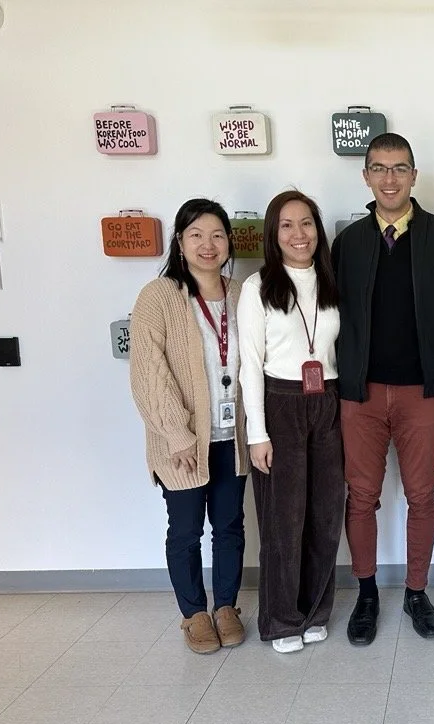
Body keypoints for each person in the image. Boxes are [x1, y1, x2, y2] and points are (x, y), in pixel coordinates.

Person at [331, 132, 434, 645]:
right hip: (361, 394)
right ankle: (367, 592)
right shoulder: (347, 242)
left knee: (422, 495)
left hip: (422, 393)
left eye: (400, 168)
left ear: (415, 175)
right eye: (379, 168)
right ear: (366, 176)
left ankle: (416, 591)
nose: (390, 178)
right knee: (362, 496)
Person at [130, 198, 248, 655]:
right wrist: (178, 434)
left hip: (230, 438)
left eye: (217, 235)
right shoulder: (158, 296)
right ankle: (194, 613)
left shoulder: (239, 294)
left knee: (230, 527)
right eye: (196, 234)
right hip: (182, 443)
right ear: (180, 242)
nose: (208, 244)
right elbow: (147, 372)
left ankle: (226, 608)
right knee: (184, 531)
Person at [238, 190, 343, 654]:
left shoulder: (333, 281)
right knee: (284, 521)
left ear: (318, 230)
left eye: (306, 223)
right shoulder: (257, 287)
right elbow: (249, 365)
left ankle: (316, 611)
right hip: (280, 402)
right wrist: (257, 433)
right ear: (273, 234)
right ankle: (282, 620)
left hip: (328, 401)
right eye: (286, 225)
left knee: (324, 514)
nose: (298, 234)